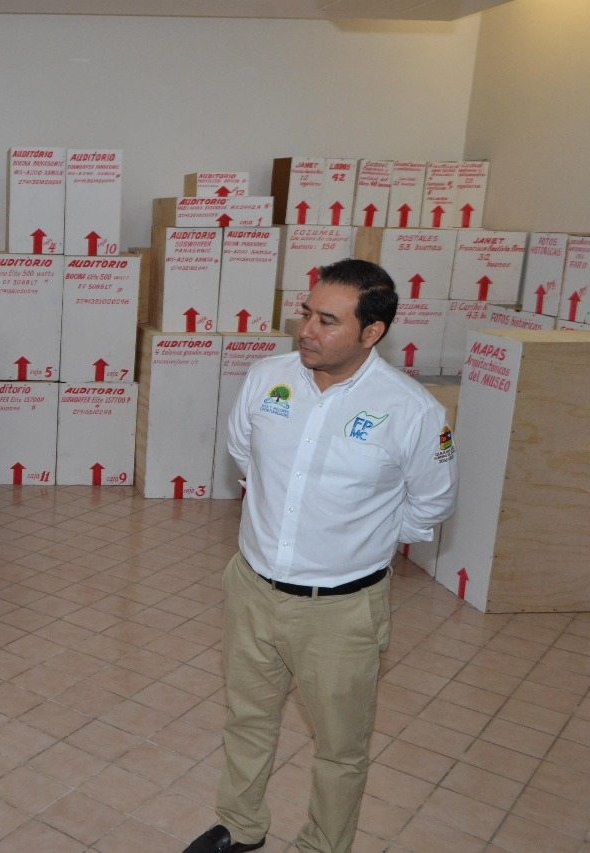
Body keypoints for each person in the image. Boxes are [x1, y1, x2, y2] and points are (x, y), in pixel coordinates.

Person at [185, 259, 457, 853]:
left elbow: (431, 503)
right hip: (252, 588)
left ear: (371, 332)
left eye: (327, 321)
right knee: (247, 719)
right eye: (306, 312)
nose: (305, 330)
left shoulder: (412, 411)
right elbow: (244, 453)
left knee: (340, 747)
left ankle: (323, 845)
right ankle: (241, 826)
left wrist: (360, 542)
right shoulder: (268, 378)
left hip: (341, 612)